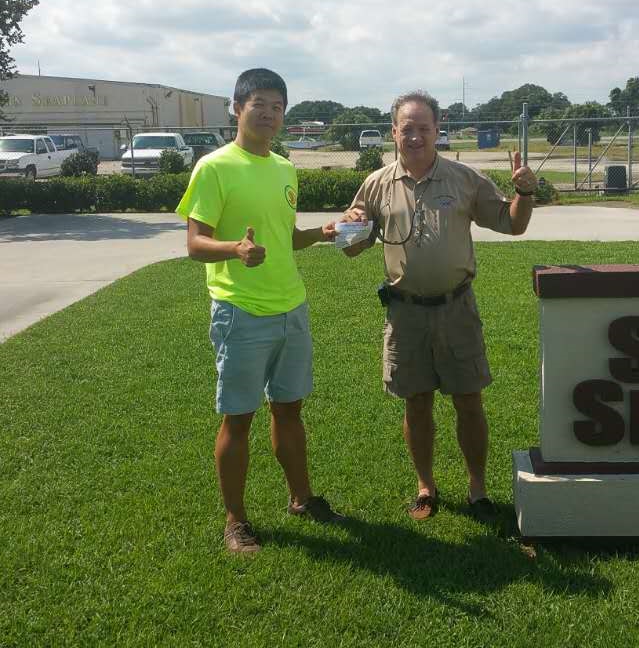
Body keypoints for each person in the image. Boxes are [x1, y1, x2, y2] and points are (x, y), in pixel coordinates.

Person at [339, 90, 536, 522]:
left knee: (469, 401)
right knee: (417, 403)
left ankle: (478, 489)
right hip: (405, 313)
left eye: (423, 128)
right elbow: (352, 248)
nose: (415, 136)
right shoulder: (376, 185)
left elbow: (511, 224)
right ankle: (425, 486)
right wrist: (347, 228)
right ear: (394, 132)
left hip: (456, 310)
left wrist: (523, 193)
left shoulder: (463, 179)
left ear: (437, 130)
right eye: (406, 128)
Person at [175, 68, 345, 554]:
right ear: (237, 108)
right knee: (238, 417)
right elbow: (194, 243)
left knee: (290, 409)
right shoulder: (214, 167)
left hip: (291, 305)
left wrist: (321, 233)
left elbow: (286, 237)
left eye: (277, 106)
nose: (269, 114)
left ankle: (301, 497)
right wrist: (235, 249)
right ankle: (235, 520)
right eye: (259, 104)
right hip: (241, 310)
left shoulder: (285, 168)